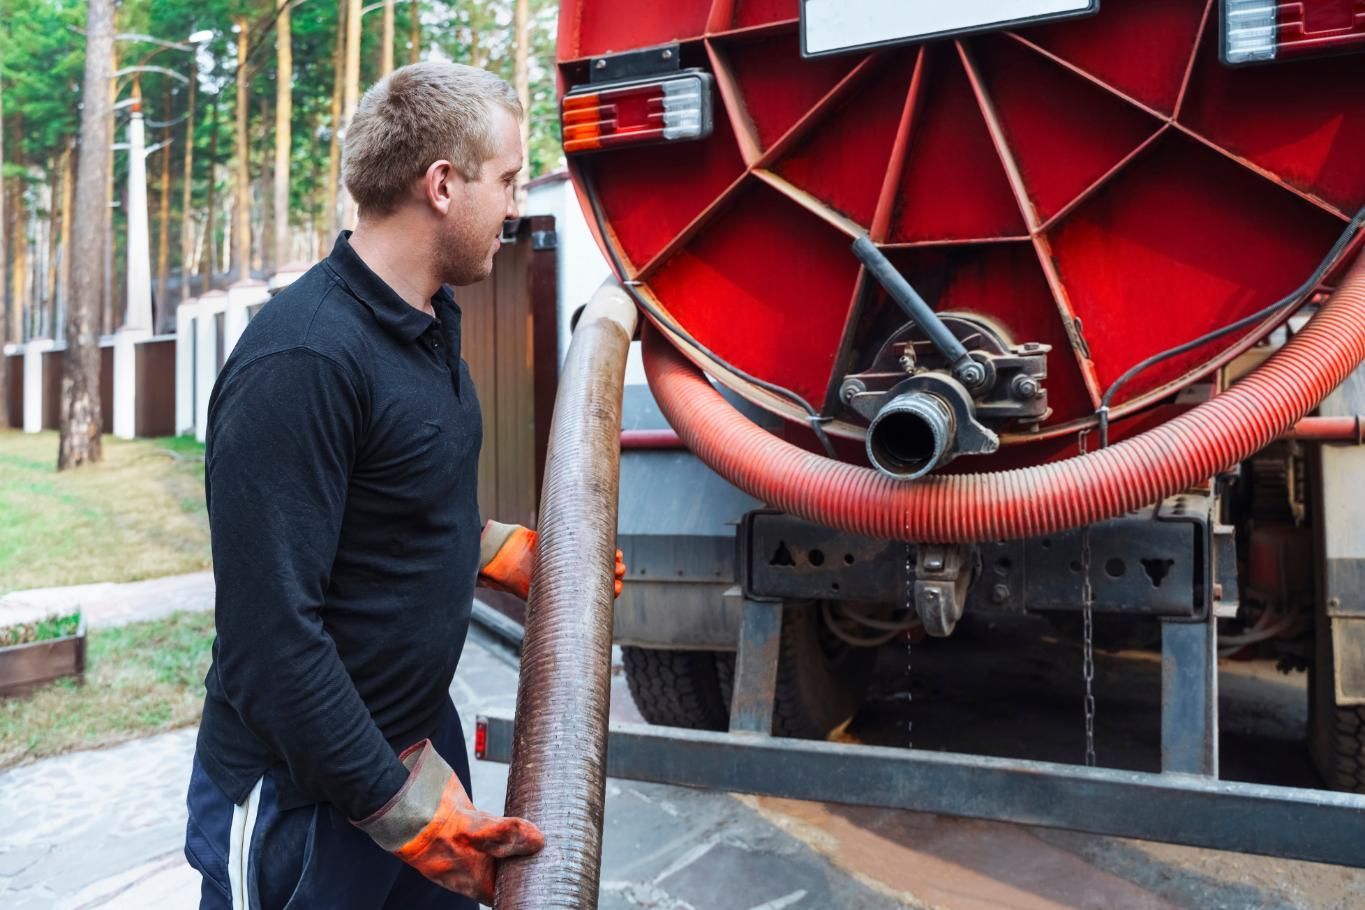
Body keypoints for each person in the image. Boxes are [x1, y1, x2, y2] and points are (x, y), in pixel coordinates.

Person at [182, 61, 624, 909]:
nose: (515, 204)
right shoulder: (303, 361)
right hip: (306, 798)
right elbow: (271, 641)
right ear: (443, 185)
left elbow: (391, 503)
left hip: (416, 748)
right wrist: (399, 811)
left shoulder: (423, 323)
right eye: (506, 180)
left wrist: (497, 551)